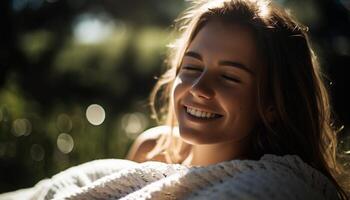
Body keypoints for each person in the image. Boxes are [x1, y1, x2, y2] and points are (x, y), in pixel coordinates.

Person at [0, 0, 348, 199]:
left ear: (272, 104)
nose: (199, 87)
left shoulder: (278, 185)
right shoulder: (151, 149)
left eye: (228, 76)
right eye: (191, 66)